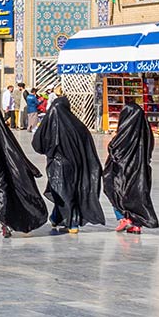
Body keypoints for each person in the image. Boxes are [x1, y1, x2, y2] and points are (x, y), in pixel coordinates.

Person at [0, 106, 48, 237]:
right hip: (6, 173)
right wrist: (32, 169)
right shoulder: (6, 135)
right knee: (4, 196)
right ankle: (4, 224)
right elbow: (17, 153)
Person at [32, 96, 107, 234]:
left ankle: (72, 222)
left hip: (57, 165)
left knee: (64, 193)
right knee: (65, 192)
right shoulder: (78, 125)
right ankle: (56, 217)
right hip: (77, 165)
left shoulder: (49, 124)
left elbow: (37, 144)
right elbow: (87, 147)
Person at [103, 105, 157, 234]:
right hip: (141, 170)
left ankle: (123, 218)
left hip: (122, 170)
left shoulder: (125, 131)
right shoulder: (146, 132)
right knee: (138, 196)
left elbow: (114, 149)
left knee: (114, 191)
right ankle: (136, 224)